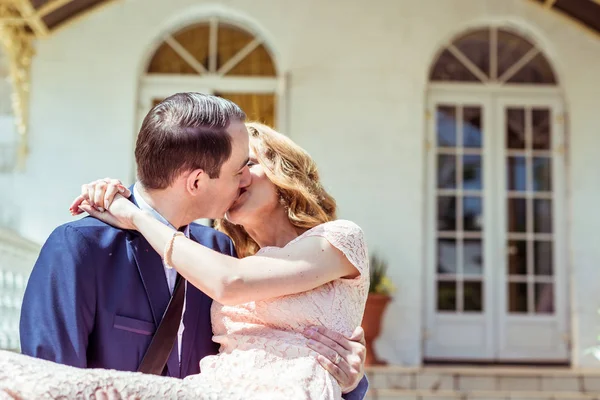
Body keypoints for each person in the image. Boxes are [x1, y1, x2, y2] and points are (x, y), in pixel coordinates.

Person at [14, 94, 367, 397]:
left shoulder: (219, 252)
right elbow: (50, 381)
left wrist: (349, 383)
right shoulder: (81, 247)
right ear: (197, 181)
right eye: (238, 168)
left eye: (250, 165)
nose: (242, 177)